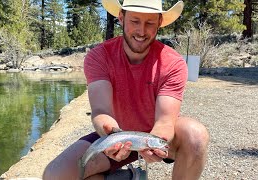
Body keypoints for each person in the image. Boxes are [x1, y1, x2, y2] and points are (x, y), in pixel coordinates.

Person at [43, 0, 209, 179]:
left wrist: (154, 142)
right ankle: (127, 176)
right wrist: (111, 135)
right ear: (121, 18)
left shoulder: (173, 63)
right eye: (135, 21)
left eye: (150, 23)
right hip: (117, 135)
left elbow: (165, 120)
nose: (141, 31)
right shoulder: (99, 57)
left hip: (158, 136)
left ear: (160, 22)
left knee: (195, 135)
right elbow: (101, 111)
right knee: (55, 174)